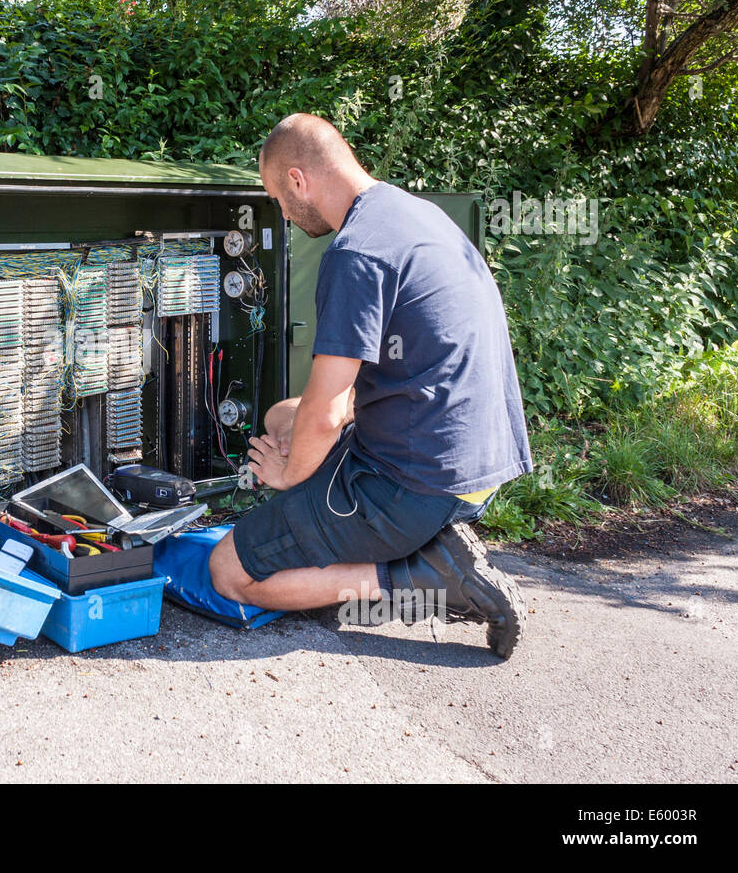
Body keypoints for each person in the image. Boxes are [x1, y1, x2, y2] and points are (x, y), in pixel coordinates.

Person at [208, 113, 532, 658]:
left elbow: (331, 409)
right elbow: (332, 401)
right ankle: (414, 541)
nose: (284, 215)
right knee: (281, 416)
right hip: (481, 459)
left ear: (297, 179)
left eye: (278, 200)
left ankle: (424, 578)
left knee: (229, 572)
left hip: (417, 483)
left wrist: (289, 477)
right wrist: (297, 441)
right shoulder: (412, 215)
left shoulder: (356, 253)